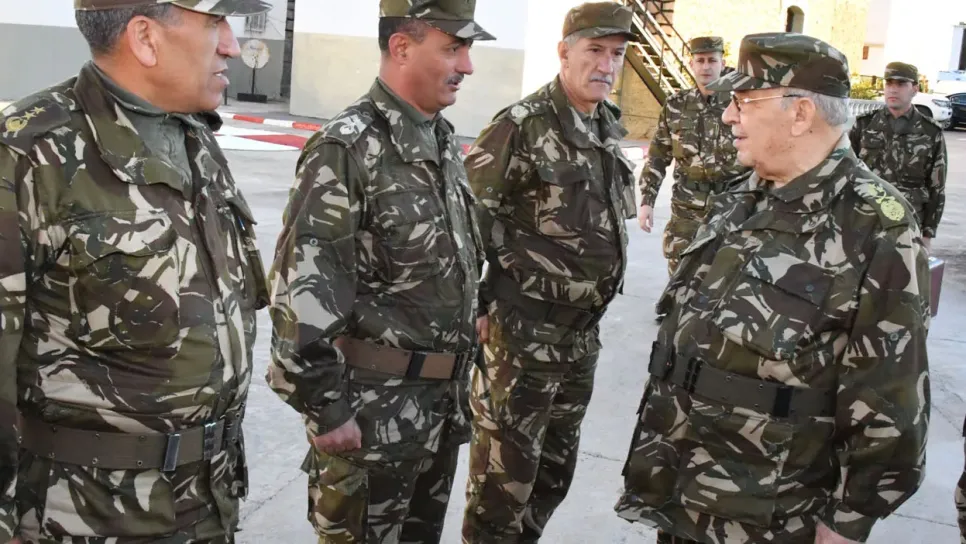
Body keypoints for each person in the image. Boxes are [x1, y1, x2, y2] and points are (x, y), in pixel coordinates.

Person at [615, 32, 931, 544]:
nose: (727, 116)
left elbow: (892, 398)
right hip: (683, 486)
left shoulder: (875, 225)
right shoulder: (742, 195)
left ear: (800, 113)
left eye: (743, 102)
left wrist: (849, 520)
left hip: (768, 511)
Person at [0, 0, 271, 542]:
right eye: (215, 23)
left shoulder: (193, 138)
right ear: (145, 37)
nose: (232, 46)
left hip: (209, 503)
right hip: (87, 516)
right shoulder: (29, 154)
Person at [265, 1, 493, 542]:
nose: (467, 66)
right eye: (453, 49)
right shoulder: (347, 147)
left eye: (467, 50)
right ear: (401, 47)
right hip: (371, 421)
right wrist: (326, 409)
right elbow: (301, 289)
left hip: (438, 413)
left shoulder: (441, 140)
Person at [460, 3, 637, 542]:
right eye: (595, 50)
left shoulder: (605, 124)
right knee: (502, 489)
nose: (607, 65)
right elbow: (465, 221)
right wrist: (478, 307)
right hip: (522, 337)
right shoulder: (521, 125)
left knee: (552, 476)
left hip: (580, 338)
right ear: (563, 52)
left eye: (617, 54)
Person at [637, 36, 750, 280]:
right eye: (700, 60)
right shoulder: (676, 105)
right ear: (691, 64)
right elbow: (658, 155)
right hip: (686, 209)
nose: (706, 67)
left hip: (731, 205)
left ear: (722, 63)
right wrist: (647, 200)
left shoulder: (742, 106)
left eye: (712, 60)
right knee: (680, 276)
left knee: (725, 277)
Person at [850, 61, 947, 252]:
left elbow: (937, 186)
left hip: (908, 220)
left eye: (901, 84)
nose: (893, 89)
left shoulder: (930, 132)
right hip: (865, 218)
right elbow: (846, 172)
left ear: (915, 89)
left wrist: (928, 234)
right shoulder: (865, 125)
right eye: (889, 83)